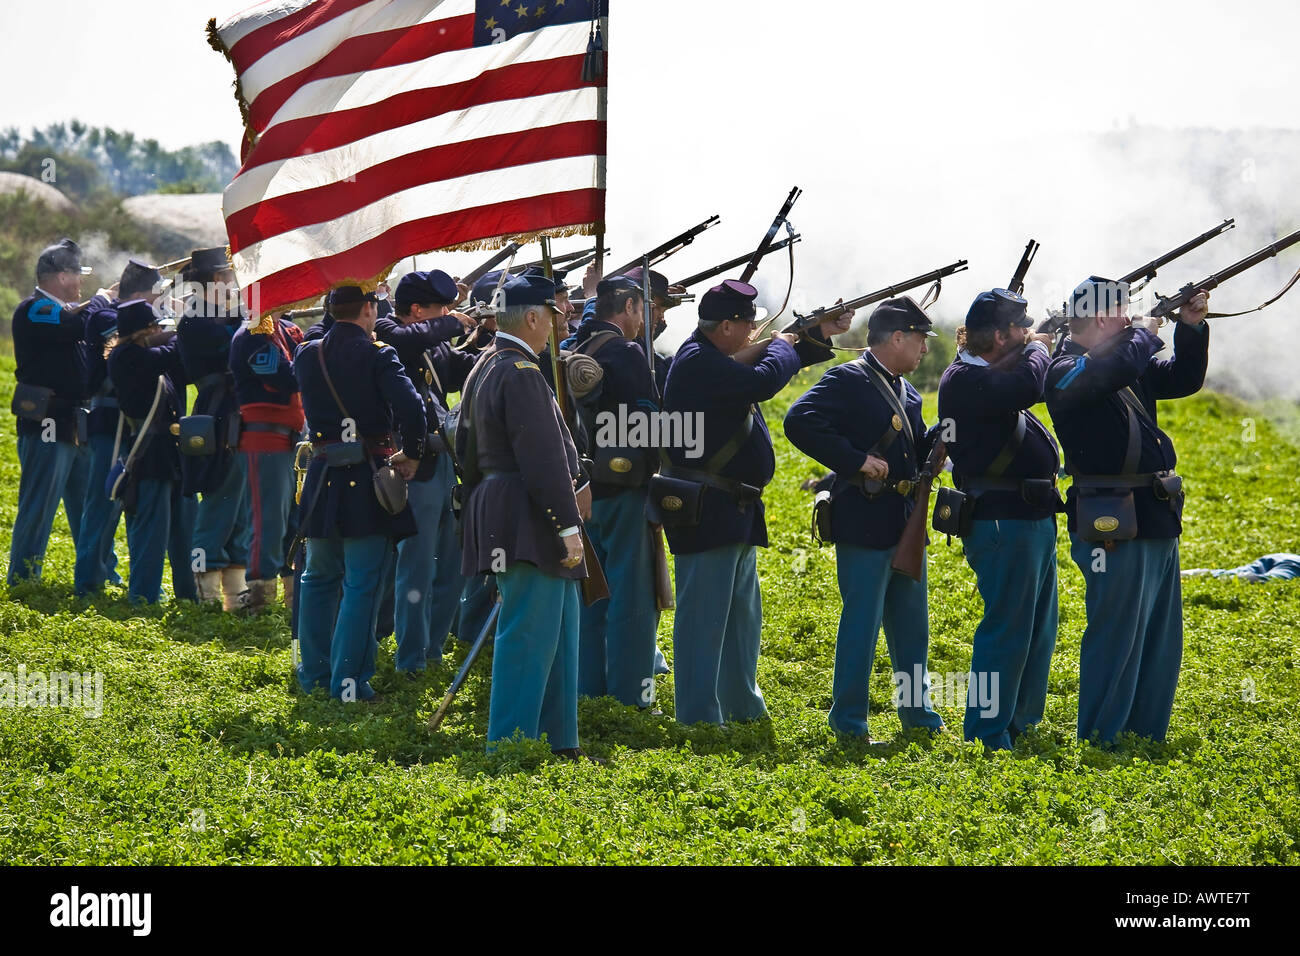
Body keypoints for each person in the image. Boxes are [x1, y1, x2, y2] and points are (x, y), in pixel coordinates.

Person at [661, 279, 848, 726]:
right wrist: (784, 342)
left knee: (741, 621)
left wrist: (818, 333)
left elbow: (773, 362)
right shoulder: (697, 362)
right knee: (704, 622)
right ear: (725, 326)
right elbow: (766, 377)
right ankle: (699, 718)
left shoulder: (714, 357)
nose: (753, 332)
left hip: (735, 508)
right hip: (708, 506)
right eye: (747, 324)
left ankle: (742, 707)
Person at [1044, 277, 1210, 745]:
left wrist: (1191, 328)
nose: (1128, 318)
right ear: (1100, 318)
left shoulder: (1123, 363)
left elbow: (1182, 378)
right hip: (1110, 519)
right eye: (1122, 311)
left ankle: (1146, 733)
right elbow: (1107, 371)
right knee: (1116, 637)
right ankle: (1102, 736)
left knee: (1160, 638)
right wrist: (1143, 331)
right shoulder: (1065, 369)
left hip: (1155, 512)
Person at [784, 296, 944, 740]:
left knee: (912, 630)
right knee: (861, 626)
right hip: (864, 518)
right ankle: (849, 724)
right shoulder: (847, 379)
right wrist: (854, 461)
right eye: (919, 340)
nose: (924, 350)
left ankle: (919, 717)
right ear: (896, 338)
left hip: (904, 521)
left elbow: (912, 444)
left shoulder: (907, 389)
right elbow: (799, 421)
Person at [457, 273, 592, 757]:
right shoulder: (522, 373)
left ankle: (559, 742)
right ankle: (510, 746)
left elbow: (463, 447)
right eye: (554, 315)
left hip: (501, 510)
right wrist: (567, 526)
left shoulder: (488, 365)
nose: (560, 322)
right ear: (533, 317)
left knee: (557, 631)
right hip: (528, 517)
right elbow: (544, 460)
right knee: (528, 637)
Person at [936, 289, 1062, 750]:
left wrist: (1036, 347)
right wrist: (1038, 348)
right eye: (1018, 329)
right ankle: (988, 733)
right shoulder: (963, 379)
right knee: (1006, 631)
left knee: (1037, 628)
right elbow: (1030, 385)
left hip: (1028, 515)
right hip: (1000, 520)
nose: (1026, 334)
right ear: (996, 336)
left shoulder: (987, 371)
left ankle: (1020, 723)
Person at [293, 286, 425, 701]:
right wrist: (413, 455)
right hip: (367, 477)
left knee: (317, 579)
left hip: (321, 475)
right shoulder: (379, 353)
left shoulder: (306, 353)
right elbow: (413, 408)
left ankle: (314, 676)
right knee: (362, 584)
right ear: (369, 309)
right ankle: (350, 684)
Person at [374, 269, 477, 673]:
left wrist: (495, 338)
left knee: (448, 563)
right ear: (417, 310)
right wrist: (454, 322)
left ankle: (432, 649)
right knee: (414, 567)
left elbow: (461, 367)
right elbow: (403, 339)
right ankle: (410, 659)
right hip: (409, 465)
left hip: (440, 463)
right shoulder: (387, 330)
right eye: (441, 308)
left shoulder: (432, 346)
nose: (449, 314)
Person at [569, 275, 664, 707]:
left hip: (584, 489)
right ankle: (632, 696)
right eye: (640, 308)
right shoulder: (626, 353)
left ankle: (589, 690)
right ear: (626, 307)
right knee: (633, 598)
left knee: (593, 594)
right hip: (626, 489)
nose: (644, 319)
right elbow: (646, 421)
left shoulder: (574, 346)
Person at [8, 239, 105, 586]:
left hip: (77, 422)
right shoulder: (34, 309)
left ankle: (97, 576)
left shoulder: (65, 311)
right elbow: (72, 326)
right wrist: (105, 301)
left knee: (90, 509)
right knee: (39, 505)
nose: (81, 283)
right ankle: (23, 578)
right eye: (77, 275)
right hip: (47, 422)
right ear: (62, 276)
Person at [75, 260, 164, 595]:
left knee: (126, 500)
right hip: (109, 419)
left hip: (129, 423)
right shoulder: (105, 316)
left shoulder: (119, 314)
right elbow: (136, 341)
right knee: (103, 500)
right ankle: (87, 582)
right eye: (156, 295)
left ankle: (110, 576)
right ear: (141, 294)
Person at [106, 300, 197, 604]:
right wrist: (185, 327)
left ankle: (190, 595)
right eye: (156, 326)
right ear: (141, 331)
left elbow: (182, 364)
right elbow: (169, 352)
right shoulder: (125, 355)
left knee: (186, 532)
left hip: (172, 455)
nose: (161, 330)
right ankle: (143, 597)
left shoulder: (151, 356)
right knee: (152, 533)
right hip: (149, 455)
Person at [177, 247, 252, 609]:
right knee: (219, 502)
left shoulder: (223, 314)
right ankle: (205, 595)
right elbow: (234, 340)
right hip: (217, 413)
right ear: (219, 279)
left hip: (236, 410)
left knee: (239, 506)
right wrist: (251, 308)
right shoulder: (195, 318)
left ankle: (235, 597)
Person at [229, 308, 307, 612]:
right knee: (268, 522)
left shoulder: (284, 329)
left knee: (292, 523)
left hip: (290, 440)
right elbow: (286, 378)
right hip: (265, 439)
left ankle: (291, 601)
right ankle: (259, 600)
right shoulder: (251, 335)